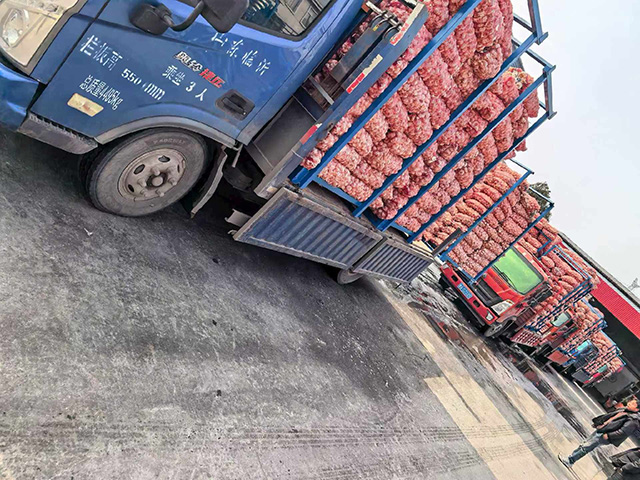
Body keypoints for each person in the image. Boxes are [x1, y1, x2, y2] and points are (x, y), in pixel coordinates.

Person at [558, 397, 640, 469]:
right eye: (631, 402)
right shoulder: (624, 410)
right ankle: (570, 458)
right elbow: (609, 417)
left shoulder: (633, 420)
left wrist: (608, 435)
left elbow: (622, 432)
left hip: (605, 434)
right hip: (602, 430)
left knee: (586, 447)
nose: (629, 403)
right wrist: (599, 423)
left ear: (637, 409)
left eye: (633, 404)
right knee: (585, 443)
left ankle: (570, 461)